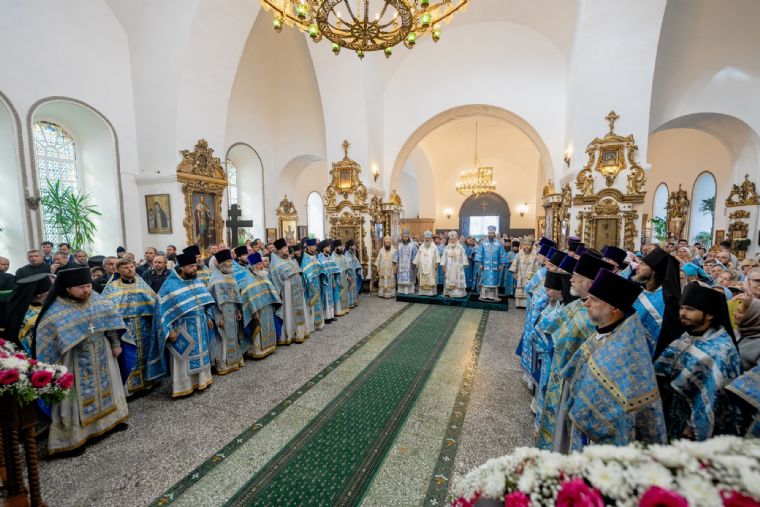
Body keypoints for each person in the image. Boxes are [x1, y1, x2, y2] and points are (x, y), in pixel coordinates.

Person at [560, 269, 667, 451]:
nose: (586, 304)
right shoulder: (606, 332)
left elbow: (624, 415)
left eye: (593, 299)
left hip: (607, 446)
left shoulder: (626, 349)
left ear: (614, 308)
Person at [34, 267, 130, 456]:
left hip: (102, 352)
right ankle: (73, 438)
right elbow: (46, 345)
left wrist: (115, 343)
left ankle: (111, 422)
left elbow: (110, 321)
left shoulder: (96, 299)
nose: (87, 291)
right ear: (67, 288)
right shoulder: (54, 311)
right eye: (81, 288)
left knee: (110, 387)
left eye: (88, 286)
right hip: (72, 361)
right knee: (73, 399)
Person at [537, 253, 613, 450]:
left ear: (589, 282)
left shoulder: (598, 312)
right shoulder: (576, 304)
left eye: (576, 276)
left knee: (568, 433)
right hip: (560, 373)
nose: (570, 278)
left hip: (575, 381)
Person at [654, 282, 740, 441]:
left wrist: (693, 425)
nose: (683, 313)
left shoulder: (722, 349)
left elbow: (714, 396)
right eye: (681, 308)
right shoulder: (687, 336)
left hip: (692, 425)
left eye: (690, 309)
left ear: (709, 314)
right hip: (670, 414)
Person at [157, 252, 215, 398]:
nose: (195, 269)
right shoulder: (169, 285)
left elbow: (204, 301)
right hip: (182, 327)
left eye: (195, 265)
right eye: (191, 266)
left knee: (201, 354)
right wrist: (169, 330)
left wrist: (207, 316)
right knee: (183, 358)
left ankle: (202, 381)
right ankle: (184, 386)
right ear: (181, 268)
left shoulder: (196, 280)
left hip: (200, 324)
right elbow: (162, 310)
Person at [102, 258, 163, 395]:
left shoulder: (141, 284)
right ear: (118, 270)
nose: (130, 269)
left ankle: (148, 382)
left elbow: (154, 303)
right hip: (124, 330)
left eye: (132, 266)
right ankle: (129, 389)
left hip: (144, 326)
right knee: (129, 356)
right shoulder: (112, 287)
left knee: (146, 354)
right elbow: (108, 313)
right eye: (126, 267)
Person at [632, 247, 683, 358]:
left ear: (654, 270)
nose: (637, 267)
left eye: (642, 264)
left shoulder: (667, 299)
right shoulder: (640, 291)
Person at [207, 249, 245, 375]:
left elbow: (236, 296)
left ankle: (234, 360)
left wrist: (238, 310)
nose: (230, 264)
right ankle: (222, 362)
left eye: (231, 261)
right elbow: (212, 302)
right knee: (222, 338)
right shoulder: (214, 279)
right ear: (221, 263)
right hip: (222, 312)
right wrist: (218, 318)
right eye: (228, 261)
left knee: (233, 334)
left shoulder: (231, 276)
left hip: (232, 311)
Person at [269, 238, 309, 344]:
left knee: (297, 311)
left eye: (287, 247)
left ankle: (299, 332)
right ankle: (289, 334)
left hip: (297, 291)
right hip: (286, 293)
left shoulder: (290, 260)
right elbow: (274, 279)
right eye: (284, 248)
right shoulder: (275, 263)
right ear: (278, 250)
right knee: (289, 311)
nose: (287, 249)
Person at [242, 252, 282, 358]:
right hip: (257, 311)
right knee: (258, 330)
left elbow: (271, 290)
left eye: (261, 263)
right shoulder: (247, 279)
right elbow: (248, 297)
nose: (261, 266)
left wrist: (274, 303)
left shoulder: (263, 275)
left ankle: (270, 346)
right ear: (253, 266)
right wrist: (254, 311)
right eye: (259, 264)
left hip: (268, 308)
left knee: (269, 326)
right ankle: (258, 350)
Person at [3, 273, 51, 353]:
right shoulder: (38, 317)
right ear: (39, 294)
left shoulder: (20, 307)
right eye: (49, 290)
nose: (51, 292)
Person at [475, 225, 508, 302]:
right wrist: (479, 264)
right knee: (485, 280)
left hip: (495, 266)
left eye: (492, 233)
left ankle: (494, 296)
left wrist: (501, 264)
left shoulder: (499, 243)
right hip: (485, 266)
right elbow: (480, 253)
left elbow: (502, 254)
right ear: (487, 233)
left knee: (494, 281)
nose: (490, 234)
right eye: (489, 233)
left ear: (494, 233)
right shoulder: (483, 243)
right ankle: (483, 296)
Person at [300, 238, 325, 331]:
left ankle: (319, 324)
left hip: (317, 281)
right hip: (310, 284)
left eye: (315, 246)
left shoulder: (315, 256)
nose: (315, 247)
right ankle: (311, 325)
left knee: (318, 302)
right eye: (314, 246)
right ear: (309, 247)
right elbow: (306, 272)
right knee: (311, 303)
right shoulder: (306, 258)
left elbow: (320, 267)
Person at [510, 237, 541, 309]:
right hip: (520, 274)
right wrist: (514, 273)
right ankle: (519, 304)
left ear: (532, 245)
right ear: (523, 245)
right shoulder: (519, 253)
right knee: (520, 287)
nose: (527, 247)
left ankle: (528, 304)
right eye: (525, 245)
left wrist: (535, 275)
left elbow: (537, 265)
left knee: (530, 288)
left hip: (531, 275)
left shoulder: (535, 254)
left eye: (529, 245)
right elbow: (515, 263)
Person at [441, 231, 468, 298]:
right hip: (449, 266)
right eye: (451, 239)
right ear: (449, 239)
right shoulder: (447, 247)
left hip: (458, 267)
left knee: (457, 279)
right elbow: (444, 256)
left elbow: (464, 256)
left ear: (456, 239)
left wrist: (464, 264)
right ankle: (449, 292)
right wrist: (443, 265)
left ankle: (459, 293)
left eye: (454, 239)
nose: (452, 240)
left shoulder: (460, 247)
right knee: (449, 278)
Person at [413, 230, 440, 296]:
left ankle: (431, 293)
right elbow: (418, 255)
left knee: (431, 278)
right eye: (426, 238)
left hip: (431, 267)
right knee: (422, 278)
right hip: (422, 266)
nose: (427, 239)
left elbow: (437, 256)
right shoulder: (421, 247)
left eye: (428, 238)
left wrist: (436, 264)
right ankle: (422, 292)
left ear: (431, 238)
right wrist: (415, 263)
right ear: (424, 238)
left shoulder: (434, 247)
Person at [394, 229, 417, 295]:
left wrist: (414, 262)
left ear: (408, 237)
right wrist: (395, 262)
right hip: (401, 265)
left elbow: (415, 254)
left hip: (409, 266)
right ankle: (401, 291)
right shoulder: (399, 245)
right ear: (402, 237)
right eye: (404, 236)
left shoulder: (413, 245)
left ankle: (410, 291)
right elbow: (396, 254)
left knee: (409, 280)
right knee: (401, 280)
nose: (405, 238)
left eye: (406, 236)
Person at [331, 239, 351, 314]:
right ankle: (338, 310)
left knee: (344, 292)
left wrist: (348, 275)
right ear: (336, 247)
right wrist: (333, 281)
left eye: (342, 246)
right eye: (340, 246)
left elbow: (347, 267)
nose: (342, 247)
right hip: (337, 278)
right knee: (338, 293)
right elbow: (332, 271)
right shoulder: (332, 257)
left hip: (343, 277)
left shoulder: (343, 256)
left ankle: (345, 308)